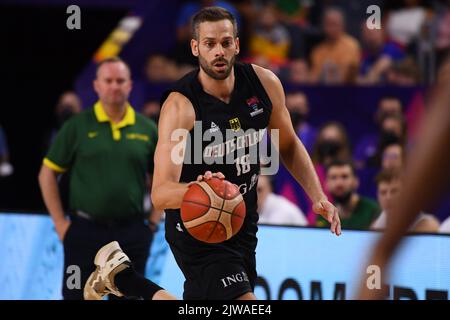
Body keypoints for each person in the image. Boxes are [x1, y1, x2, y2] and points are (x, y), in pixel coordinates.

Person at [85, 6, 341, 300]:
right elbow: (160, 192)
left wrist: (318, 196)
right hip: (195, 225)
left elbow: (289, 144)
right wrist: (205, 190)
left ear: (237, 44)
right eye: (209, 43)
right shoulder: (181, 106)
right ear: (195, 47)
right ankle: (123, 279)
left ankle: (122, 278)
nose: (219, 51)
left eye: (225, 42)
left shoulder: (265, 84)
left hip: (242, 219)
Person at [38, 57, 172, 300]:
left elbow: (164, 178)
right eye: (108, 80)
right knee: (75, 296)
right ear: (96, 85)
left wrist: (152, 222)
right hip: (82, 233)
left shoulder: (147, 129)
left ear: (129, 85)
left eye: (120, 81)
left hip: (131, 232)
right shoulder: (76, 126)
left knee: (131, 297)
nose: (114, 86)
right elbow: (47, 173)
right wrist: (60, 223)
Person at [357, 55, 450, 299]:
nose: (388, 196)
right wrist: (382, 256)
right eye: (384, 191)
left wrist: (381, 255)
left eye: (394, 191)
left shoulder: (427, 222)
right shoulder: (383, 221)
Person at [316, 160, 380, 230]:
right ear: (326, 184)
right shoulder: (324, 213)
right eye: (333, 177)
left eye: (344, 177)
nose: (339, 183)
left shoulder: (373, 210)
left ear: (356, 181)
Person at [371, 169, 439, 233]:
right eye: (383, 192)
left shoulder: (427, 225)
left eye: (394, 191)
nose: (388, 197)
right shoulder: (379, 222)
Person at [310, 7, 361, 84]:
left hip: (347, 91)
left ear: (342, 25)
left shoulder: (351, 45)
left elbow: (346, 75)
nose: (331, 29)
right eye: (328, 24)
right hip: (322, 91)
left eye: (334, 24)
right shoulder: (318, 51)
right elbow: (312, 79)